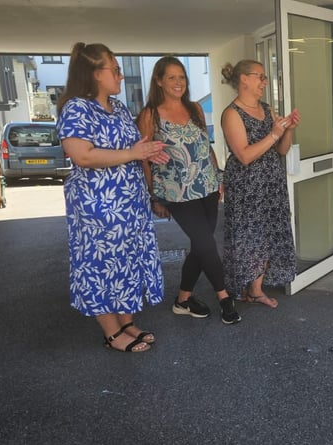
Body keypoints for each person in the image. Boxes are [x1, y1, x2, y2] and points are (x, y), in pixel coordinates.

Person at [56, 42, 168, 352]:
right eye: (115, 70)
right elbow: (83, 156)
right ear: (94, 74)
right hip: (97, 206)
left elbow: (128, 149)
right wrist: (133, 152)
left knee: (126, 263)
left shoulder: (117, 107)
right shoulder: (76, 107)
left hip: (128, 204)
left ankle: (126, 322)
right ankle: (111, 332)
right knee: (99, 265)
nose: (120, 76)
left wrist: (147, 152)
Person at [136, 56, 241, 325]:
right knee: (207, 243)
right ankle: (224, 297)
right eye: (171, 77)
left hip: (206, 186)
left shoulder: (194, 108)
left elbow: (206, 147)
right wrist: (153, 196)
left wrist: (219, 179)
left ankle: (183, 300)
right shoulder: (150, 114)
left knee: (200, 244)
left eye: (181, 77)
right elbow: (144, 160)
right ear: (158, 81)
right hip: (176, 193)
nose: (178, 82)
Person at [220, 60, 300, 307]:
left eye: (265, 78)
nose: (265, 82)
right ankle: (246, 287)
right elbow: (244, 156)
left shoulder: (267, 108)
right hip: (246, 186)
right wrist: (274, 133)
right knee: (249, 237)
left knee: (268, 234)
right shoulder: (231, 113)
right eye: (261, 77)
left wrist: (287, 130)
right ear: (244, 79)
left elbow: (282, 150)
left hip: (271, 183)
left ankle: (256, 289)